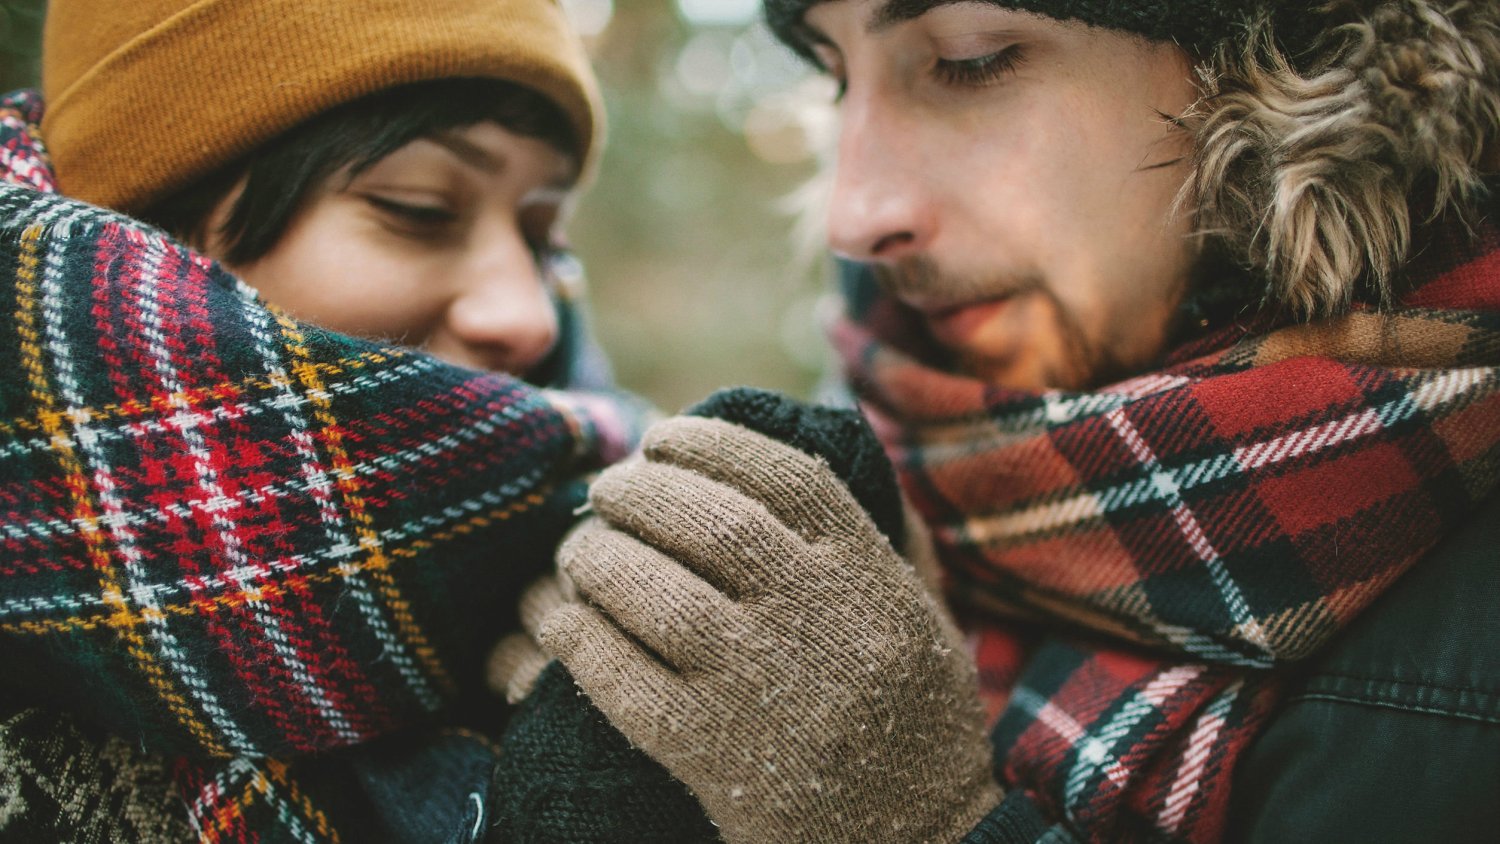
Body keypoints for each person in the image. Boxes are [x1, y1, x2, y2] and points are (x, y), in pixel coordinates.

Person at [535, 0, 1500, 841]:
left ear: (1286, 60)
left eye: (968, 60)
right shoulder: (889, 470)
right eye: (835, 80)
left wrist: (926, 828)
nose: (854, 214)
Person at [0, 1, 653, 841]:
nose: (529, 315)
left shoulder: (617, 545)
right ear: (146, 230)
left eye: (543, 235)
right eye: (418, 208)